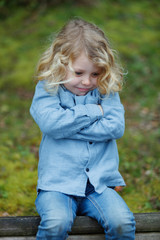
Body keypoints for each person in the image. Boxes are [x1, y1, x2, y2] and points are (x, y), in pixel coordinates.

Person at [30, 18, 136, 240]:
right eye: (79, 73)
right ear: (60, 64)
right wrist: (95, 112)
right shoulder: (48, 89)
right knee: (56, 223)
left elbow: (115, 127)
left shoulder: (107, 90)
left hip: (98, 187)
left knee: (122, 223)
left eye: (95, 74)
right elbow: (51, 124)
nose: (87, 82)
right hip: (56, 185)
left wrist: (65, 126)